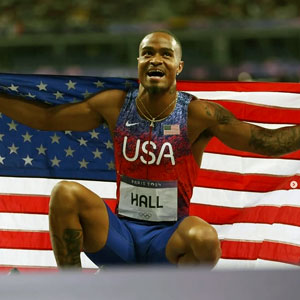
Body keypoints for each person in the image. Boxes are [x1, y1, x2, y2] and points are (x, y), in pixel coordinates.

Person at [0, 31, 299, 269]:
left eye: (166, 54)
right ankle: (72, 290)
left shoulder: (198, 115)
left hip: (167, 242)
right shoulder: (115, 105)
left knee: (205, 239)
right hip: (120, 237)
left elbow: (267, 142)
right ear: (139, 63)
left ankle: (170, 292)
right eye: (148, 53)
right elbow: (46, 119)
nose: (156, 59)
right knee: (64, 194)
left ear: (178, 67)